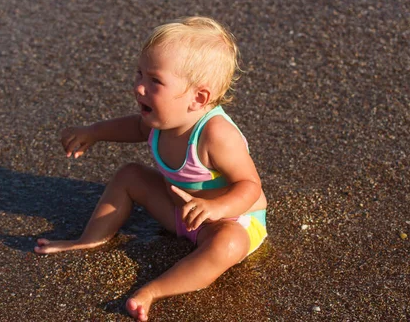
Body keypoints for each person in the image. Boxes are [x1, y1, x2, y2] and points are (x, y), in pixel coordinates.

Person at [34, 16, 268, 321]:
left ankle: (154, 291)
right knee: (130, 174)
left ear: (199, 97)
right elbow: (133, 127)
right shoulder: (161, 119)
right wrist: (93, 132)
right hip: (178, 214)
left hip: (229, 220)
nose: (139, 87)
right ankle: (90, 237)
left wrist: (215, 208)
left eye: (154, 81)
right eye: (139, 74)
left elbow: (250, 187)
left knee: (229, 245)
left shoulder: (215, 135)